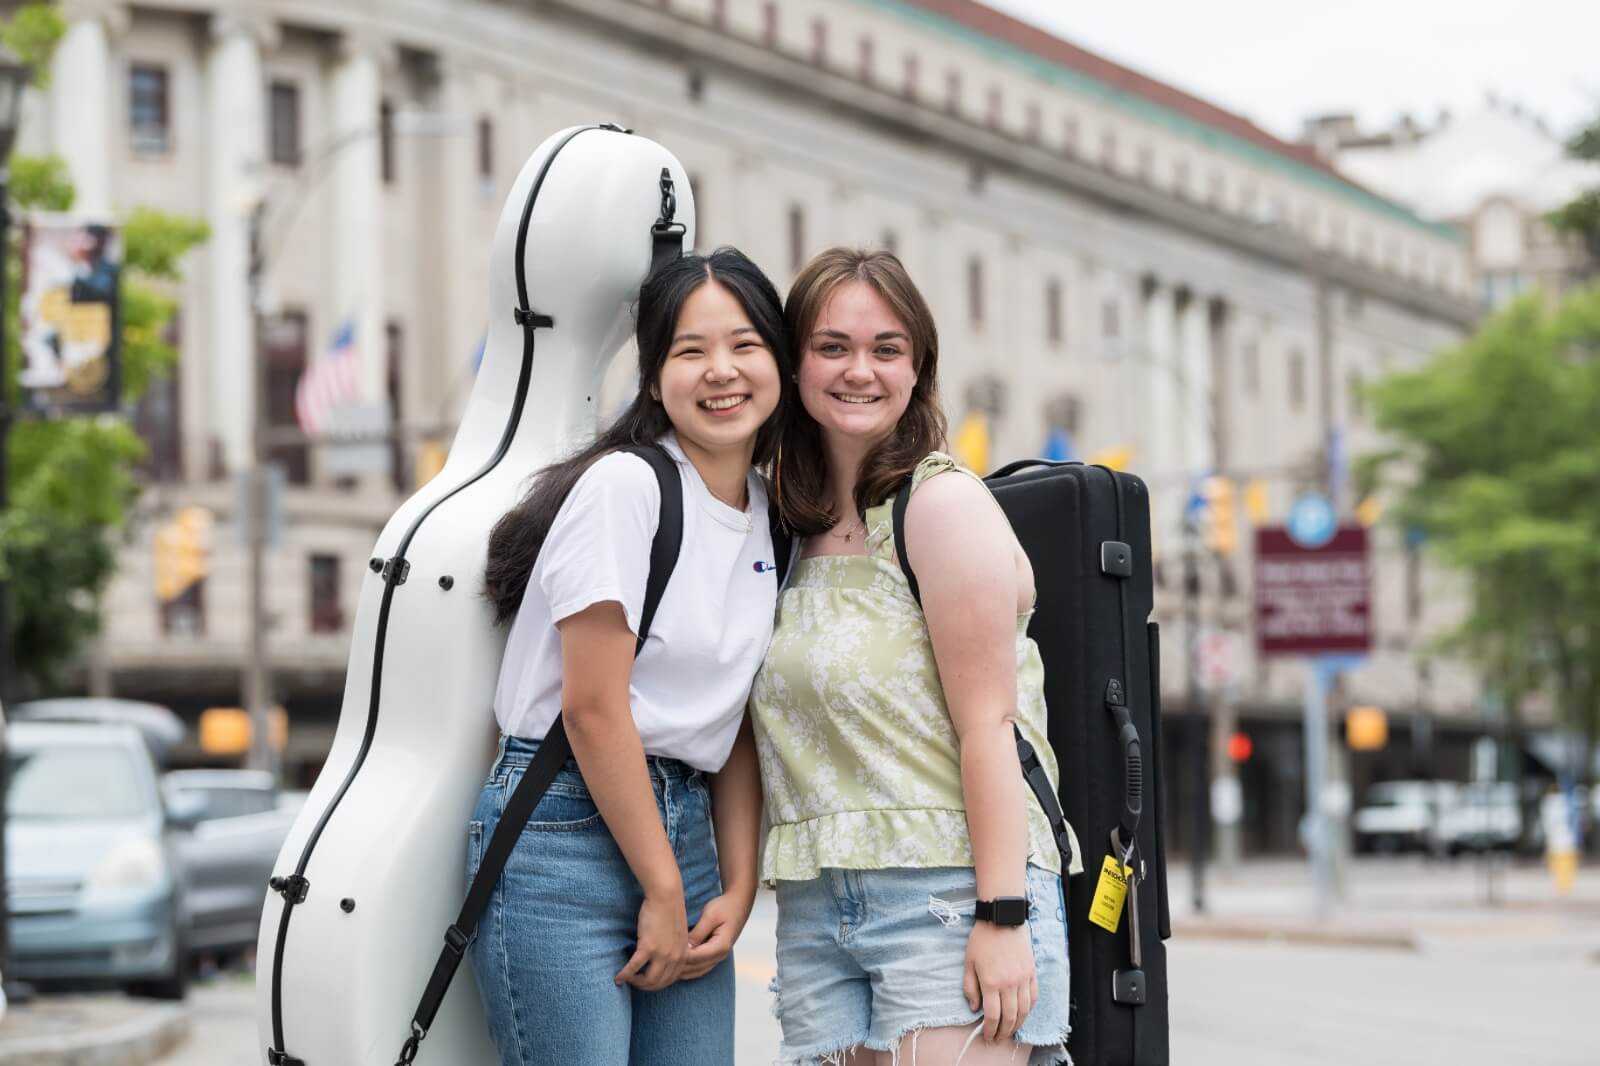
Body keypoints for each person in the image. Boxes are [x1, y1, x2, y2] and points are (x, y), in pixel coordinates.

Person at [753, 247, 1079, 1066]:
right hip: (818, 907)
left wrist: (1002, 915)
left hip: (950, 892)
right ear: (794, 365)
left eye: (885, 349)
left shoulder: (940, 505)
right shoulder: (785, 531)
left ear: (917, 371)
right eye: (832, 347)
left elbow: (989, 727)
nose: (858, 370)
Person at [473, 247, 791, 1066]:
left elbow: (735, 719)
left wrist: (736, 881)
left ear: (779, 363)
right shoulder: (627, 486)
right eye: (690, 351)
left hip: (682, 835)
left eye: (745, 345)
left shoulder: (772, 517)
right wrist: (662, 885)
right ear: (653, 379)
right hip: (562, 828)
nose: (721, 371)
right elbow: (592, 706)